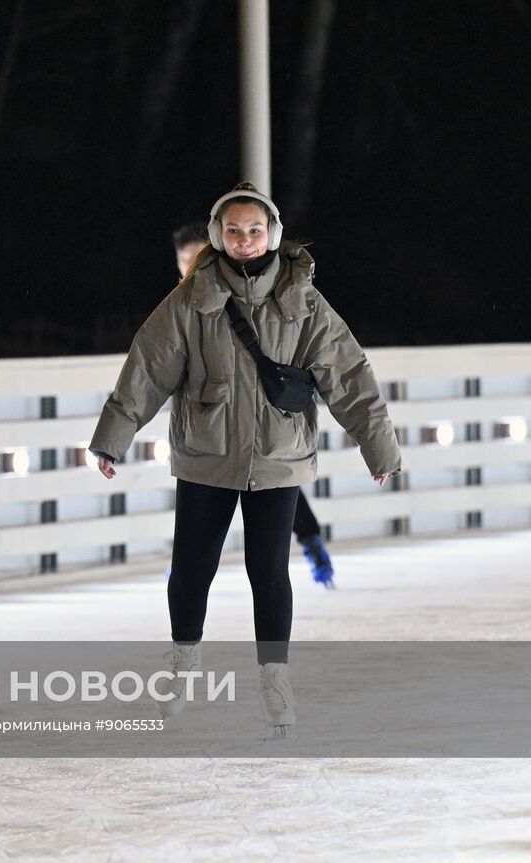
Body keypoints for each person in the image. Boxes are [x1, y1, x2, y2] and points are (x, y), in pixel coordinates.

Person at [91, 183, 400, 736]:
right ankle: (184, 661)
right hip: (206, 454)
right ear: (217, 235)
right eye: (233, 230)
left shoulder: (303, 296)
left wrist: (377, 446)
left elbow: (348, 374)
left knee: (268, 572)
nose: (245, 240)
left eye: (255, 230)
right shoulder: (192, 298)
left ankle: (274, 677)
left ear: (273, 234)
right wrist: (113, 437)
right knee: (192, 569)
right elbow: (150, 365)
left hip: (278, 456)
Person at [174, 221, 336, 588]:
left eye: (195, 257)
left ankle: (311, 543)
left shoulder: (255, 295)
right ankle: (188, 570)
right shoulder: (182, 305)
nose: (189, 266)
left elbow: (327, 358)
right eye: (183, 259)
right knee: (211, 497)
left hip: (265, 419)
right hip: (211, 425)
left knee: (274, 490)